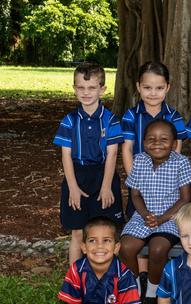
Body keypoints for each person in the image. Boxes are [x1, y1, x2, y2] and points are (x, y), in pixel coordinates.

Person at [53, 62, 124, 265]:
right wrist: (73, 187)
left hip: (104, 176)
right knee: (77, 233)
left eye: (92, 87)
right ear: (74, 88)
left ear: (102, 89)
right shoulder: (69, 121)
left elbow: (112, 155)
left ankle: (110, 281)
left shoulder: (111, 121)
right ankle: (75, 282)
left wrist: (106, 187)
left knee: (107, 231)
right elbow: (66, 156)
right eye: (81, 88)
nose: (86, 93)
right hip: (76, 176)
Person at [119, 119, 191, 304]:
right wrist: (145, 215)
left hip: (171, 217)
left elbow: (185, 198)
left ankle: (152, 292)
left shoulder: (181, 162)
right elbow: (134, 194)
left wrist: (161, 219)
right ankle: (134, 291)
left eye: (163, 139)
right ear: (143, 143)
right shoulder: (140, 160)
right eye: (151, 139)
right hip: (143, 215)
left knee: (158, 248)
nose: (157, 143)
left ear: (174, 143)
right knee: (126, 247)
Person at [121, 61, 187, 217]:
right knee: (137, 218)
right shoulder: (131, 116)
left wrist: (170, 177)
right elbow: (127, 148)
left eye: (159, 88)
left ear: (168, 88)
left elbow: (176, 150)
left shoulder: (174, 116)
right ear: (138, 87)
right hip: (139, 181)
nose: (153, 93)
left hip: (167, 181)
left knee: (166, 220)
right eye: (147, 88)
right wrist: (136, 180)